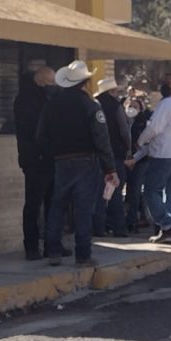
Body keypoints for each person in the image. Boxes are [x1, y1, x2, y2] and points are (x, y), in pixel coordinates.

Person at [42, 61, 119, 267]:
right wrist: (110, 168)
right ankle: (83, 255)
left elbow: (41, 135)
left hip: (60, 162)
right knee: (83, 209)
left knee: (57, 206)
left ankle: (53, 252)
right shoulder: (91, 105)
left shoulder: (51, 105)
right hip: (86, 161)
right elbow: (102, 139)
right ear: (85, 82)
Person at [138, 76, 171, 244]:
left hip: (164, 153)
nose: (163, 87)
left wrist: (140, 141)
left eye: (167, 84)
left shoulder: (167, 104)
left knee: (150, 190)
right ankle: (170, 231)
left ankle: (167, 225)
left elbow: (155, 128)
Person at [14, 66, 56, 260]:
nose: (52, 85)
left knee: (53, 204)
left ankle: (51, 244)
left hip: (49, 157)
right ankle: (31, 246)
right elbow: (32, 129)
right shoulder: (27, 100)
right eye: (50, 82)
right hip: (34, 158)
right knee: (33, 203)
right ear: (41, 81)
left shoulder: (46, 98)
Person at [93, 77, 132, 238]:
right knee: (115, 192)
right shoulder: (116, 106)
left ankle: (98, 228)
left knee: (98, 193)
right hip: (115, 154)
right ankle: (119, 228)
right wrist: (128, 149)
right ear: (111, 91)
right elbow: (124, 130)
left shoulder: (93, 105)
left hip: (96, 155)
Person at [123, 96, 151, 233]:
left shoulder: (144, 124)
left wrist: (134, 159)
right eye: (130, 106)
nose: (132, 109)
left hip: (140, 161)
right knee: (128, 192)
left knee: (135, 190)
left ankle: (132, 221)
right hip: (125, 160)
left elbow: (146, 147)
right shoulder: (122, 121)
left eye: (135, 107)